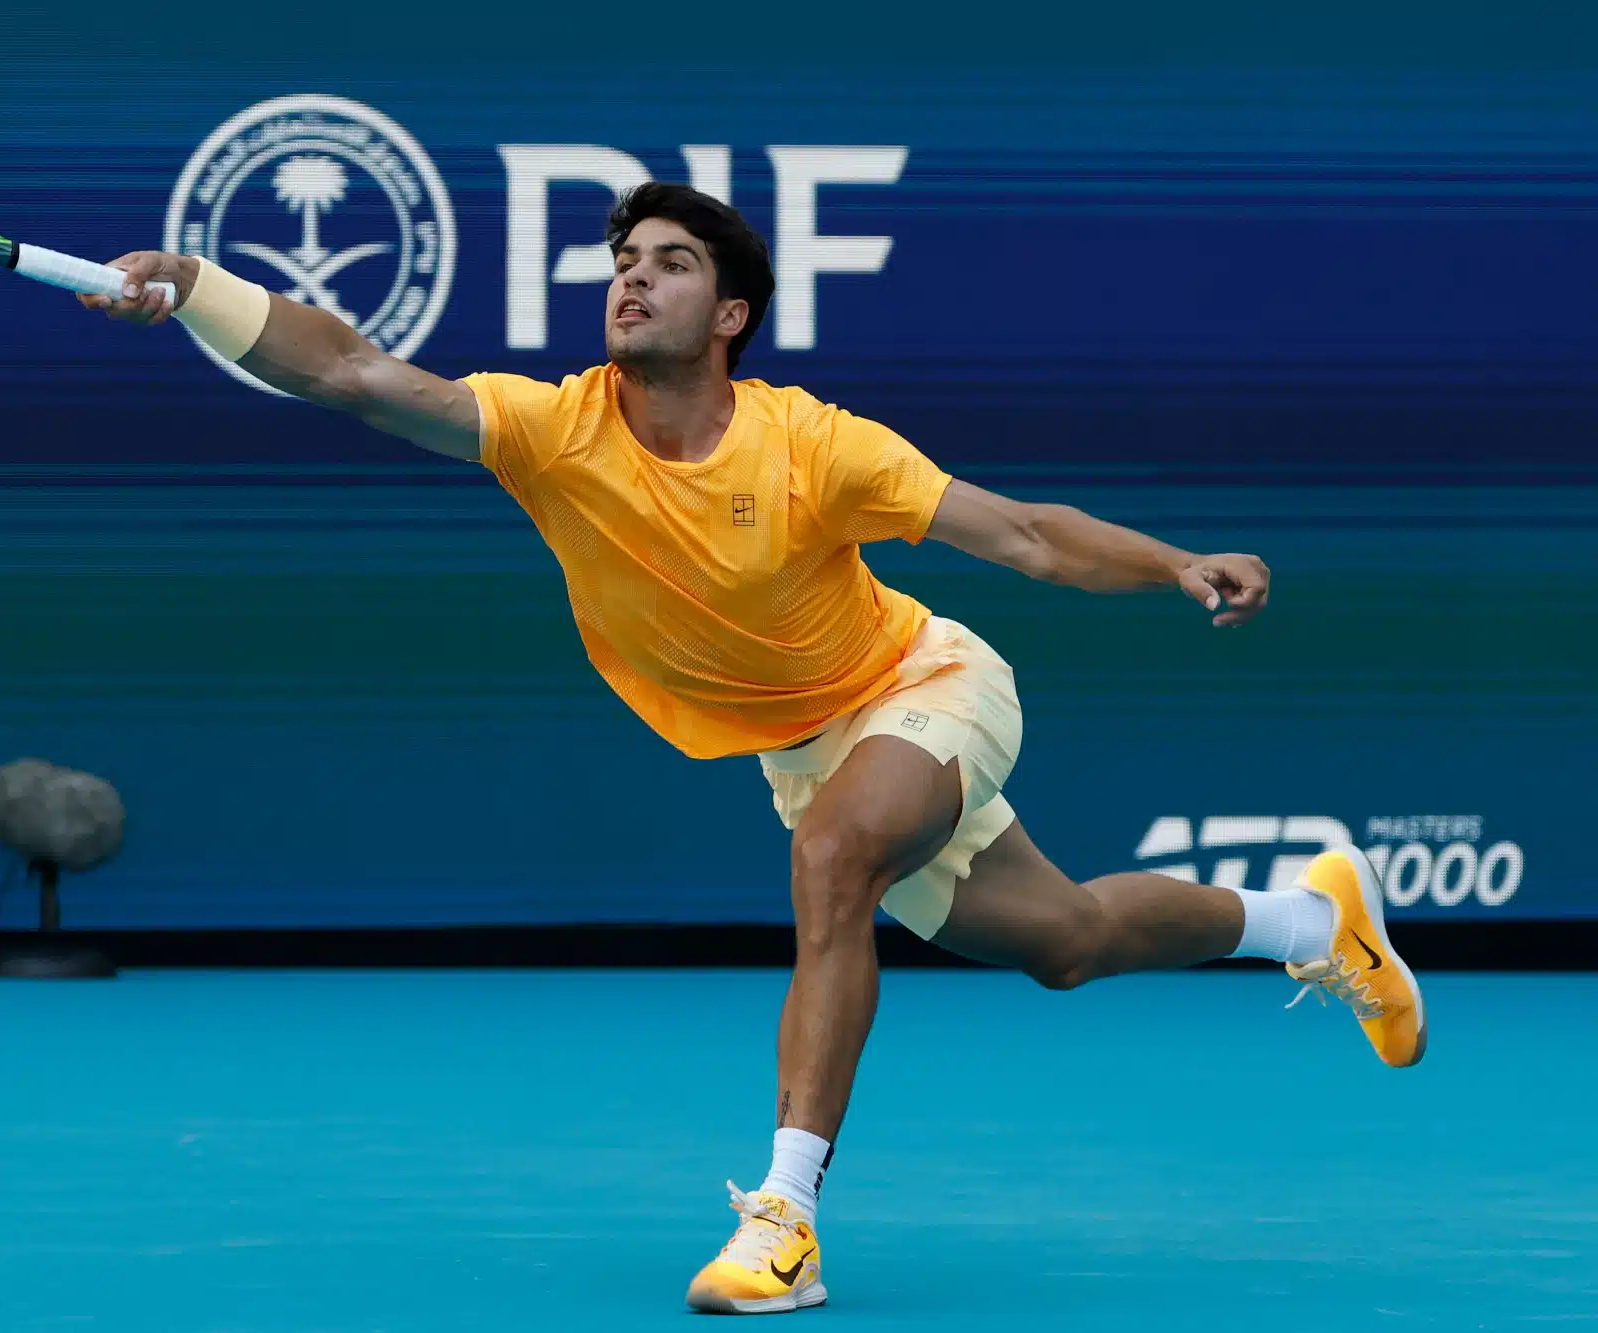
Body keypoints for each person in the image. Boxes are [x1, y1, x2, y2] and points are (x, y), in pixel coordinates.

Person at [82, 183, 1426, 1316]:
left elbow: (1022, 535)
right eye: (621, 264)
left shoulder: (814, 445)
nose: (631, 282)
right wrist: (197, 285)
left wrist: (1176, 564)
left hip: (928, 684)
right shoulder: (554, 433)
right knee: (1067, 943)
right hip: (804, 749)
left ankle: (783, 1220)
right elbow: (352, 372)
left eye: (668, 266)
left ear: (727, 315)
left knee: (837, 858)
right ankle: (1308, 921)